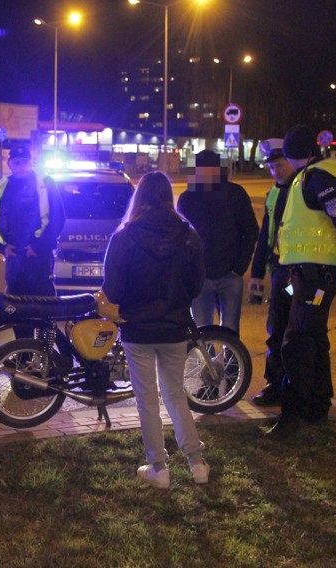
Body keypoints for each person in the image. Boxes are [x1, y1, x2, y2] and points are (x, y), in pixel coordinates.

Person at [102, 171, 209, 489]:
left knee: (147, 398)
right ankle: (197, 463)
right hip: (174, 325)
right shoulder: (187, 234)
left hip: (137, 328)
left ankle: (158, 468)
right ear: (168, 196)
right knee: (176, 395)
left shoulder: (124, 236)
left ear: (140, 197)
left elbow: (114, 289)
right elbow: (197, 284)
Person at [266, 125, 336, 439]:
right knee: (314, 340)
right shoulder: (311, 176)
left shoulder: (317, 179)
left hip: (317, 274)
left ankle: (293, 416)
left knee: (295, 344)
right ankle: (318, 406)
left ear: (296, 156)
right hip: (309, 274)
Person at [177, 149, 258, 336]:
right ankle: (207, 366)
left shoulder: (235, 194)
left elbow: (250, 230)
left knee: (230, 333)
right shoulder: (188, 198)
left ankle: (233, 366)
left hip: (230, 275)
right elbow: (181, 238)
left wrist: (239, 267)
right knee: (201, 333)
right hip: (200, 277)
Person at [0, 146, 65, 330]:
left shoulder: (45, 182)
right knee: (16, 308)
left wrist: (38, 246)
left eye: (24, 161)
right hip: (14, 256)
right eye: (16, 162)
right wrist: (2, 246)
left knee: (43, 307)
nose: (21, 165)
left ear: (31, 163)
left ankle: (44, 353)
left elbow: (58, 218)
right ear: (9, 164)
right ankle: (23, 354)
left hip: (38, 257)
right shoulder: (4, 185)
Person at [247, 139, 296, 407]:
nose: (275, 170)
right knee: (276, 328)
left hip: (298, 271)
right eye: (271, 166)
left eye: (279, 165)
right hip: (281, 270)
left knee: (294, 328)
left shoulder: (301, 190)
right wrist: (256, 273)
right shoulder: (274, 193)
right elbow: (266, 235)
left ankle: (293, 385)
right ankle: (275, 384)